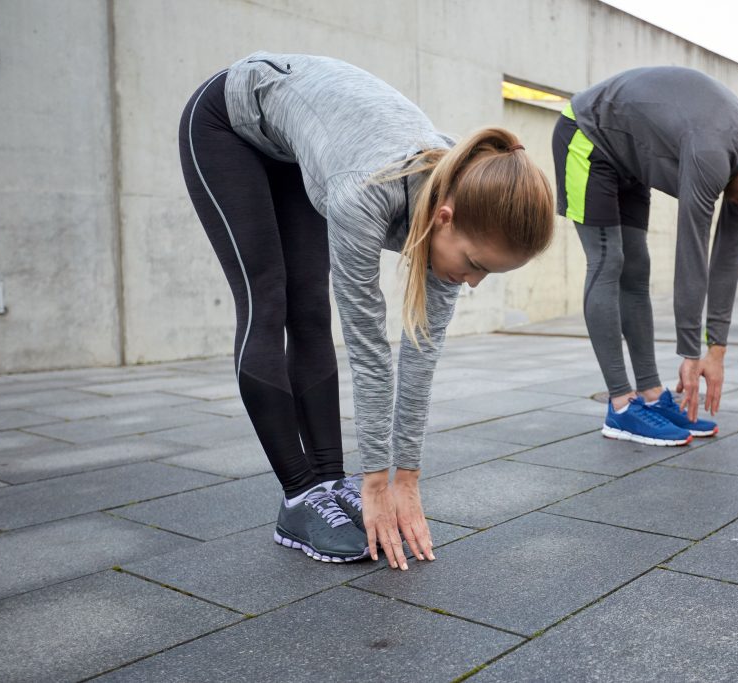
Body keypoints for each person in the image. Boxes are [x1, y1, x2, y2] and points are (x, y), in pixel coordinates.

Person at [180, 51, 553, 570]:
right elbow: (370, 347)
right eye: (473, 264)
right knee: (269, 297)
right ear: (443, 219)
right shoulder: (366, 191)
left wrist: (407, 479)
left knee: (310, 310)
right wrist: (378, 476)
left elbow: (420, 354)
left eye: (486, 273)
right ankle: (298, 497)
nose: (471, 282)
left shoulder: (462, 192)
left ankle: (331, 479)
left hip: (299, 142)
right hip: (227, 123)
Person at [552, 66, 738, 446]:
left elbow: (726, 260)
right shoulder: (714, 151)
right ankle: (621, 406)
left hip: (627, 158)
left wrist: (717, 349)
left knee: (637, 268)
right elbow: (692, 252)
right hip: (587, 133)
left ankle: (650, 394)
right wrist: (690, 352)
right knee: (608, 260)